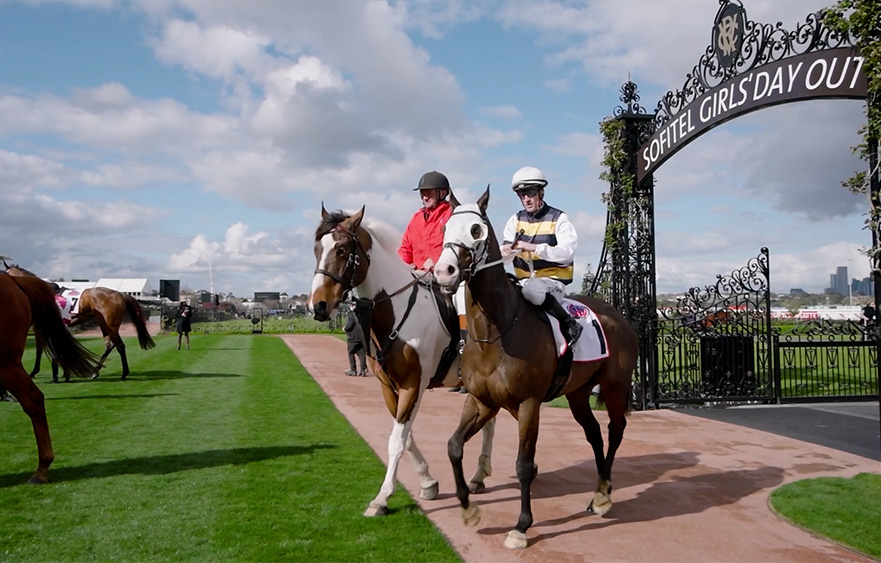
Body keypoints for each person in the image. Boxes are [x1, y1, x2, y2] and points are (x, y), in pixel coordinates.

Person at [500, 166, 582, 346]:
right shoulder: (514, 220)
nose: (526, 199)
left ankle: (570, 323)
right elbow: (506, 255)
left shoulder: (559, 218)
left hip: (553, 283)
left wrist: (535, 248)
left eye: (530, 193)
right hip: (523, 283)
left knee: (532, 290)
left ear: (541, 192)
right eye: (521, 195)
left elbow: (567, 253)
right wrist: (504, 252)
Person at [343, 302, 369, 376]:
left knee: (351, 352)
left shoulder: (352, 314)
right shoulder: (362, 314)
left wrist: (345, 329)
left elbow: (350, 325)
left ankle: (353, 370)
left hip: (353, 337)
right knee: (361, 353)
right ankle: (363, 370)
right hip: (361, 337)